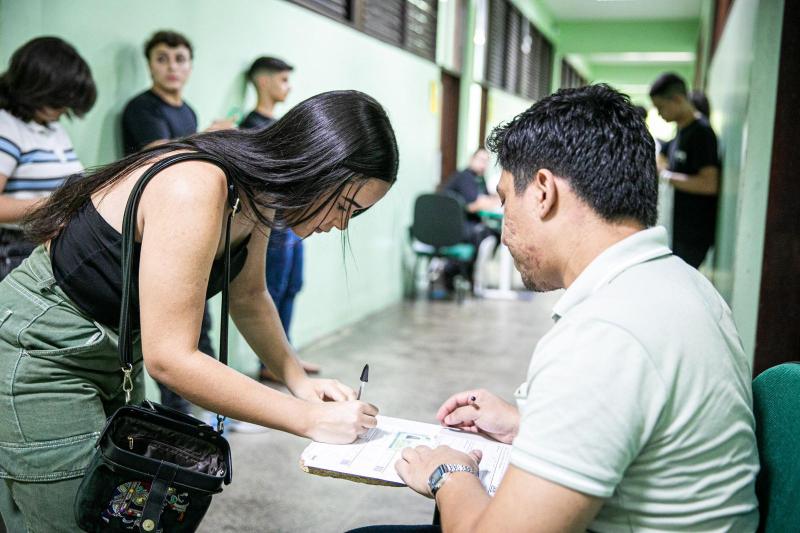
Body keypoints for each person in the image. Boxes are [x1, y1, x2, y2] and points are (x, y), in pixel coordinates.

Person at [355, 84, 758, 532]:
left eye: (507, 200)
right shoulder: (682, 284)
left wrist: (449, 472)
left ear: (543, 191)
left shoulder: (606, 333)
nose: (505, 229)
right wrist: (523, 424)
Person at [0, 89, 398, 531]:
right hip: (42, 345)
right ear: (314, 166)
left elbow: (249, 297)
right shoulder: (195, 184)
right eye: (345, 205)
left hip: (111, 348)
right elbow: (171, 359)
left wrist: (300, 383)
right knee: (76, 518)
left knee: (114, 507)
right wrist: (310, 419)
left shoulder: (260, 192)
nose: (340, 224)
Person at [121, 30, 234, 413]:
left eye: (180, 58)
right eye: (162, 58)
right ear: (149, 63)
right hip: (151, 235)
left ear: (190, 64)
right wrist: (209, 137)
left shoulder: (185, 112)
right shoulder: (141, 109)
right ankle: (177, 423)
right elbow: (161, 155)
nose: (172, 67)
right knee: (167, 338)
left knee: (198, 327)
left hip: (189, 233)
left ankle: (204, 415)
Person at [241, 56, 319, 380]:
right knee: (270, 289)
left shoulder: (280, 124)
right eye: (283, 80)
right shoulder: (251, 126)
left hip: (291, 219)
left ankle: (288, 355)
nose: (288, 87)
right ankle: (270, 362)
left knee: (292, 285)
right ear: (264, 81)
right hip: (269, 223)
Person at [0, 36, 95, 281]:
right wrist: (53, 206)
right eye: (59, 99)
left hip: (54, 248)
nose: (64, 108)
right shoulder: (6, 126)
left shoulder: (53, 128)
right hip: (17, 252)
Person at [650, 72, 721, 268]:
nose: (659, 113)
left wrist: (666, 177)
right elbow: (661, 158)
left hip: (694, 236)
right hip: (678, 231)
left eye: (661, 107)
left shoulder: (702, 133)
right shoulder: (681, 132)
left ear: (678, 99)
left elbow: (709, 184)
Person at [440, 148, 500, 289]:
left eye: (486, 161)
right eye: (480, 159)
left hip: (466, 224)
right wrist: (490, 201)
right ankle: (461, 272)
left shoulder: (479, 179)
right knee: (486, 233)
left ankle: (466, 273)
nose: (483, 164)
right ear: (471, 160)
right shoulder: (465, 177)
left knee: (494, 233)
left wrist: (491, 200)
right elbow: (474, 205)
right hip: (454, 227)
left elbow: (486, 199)